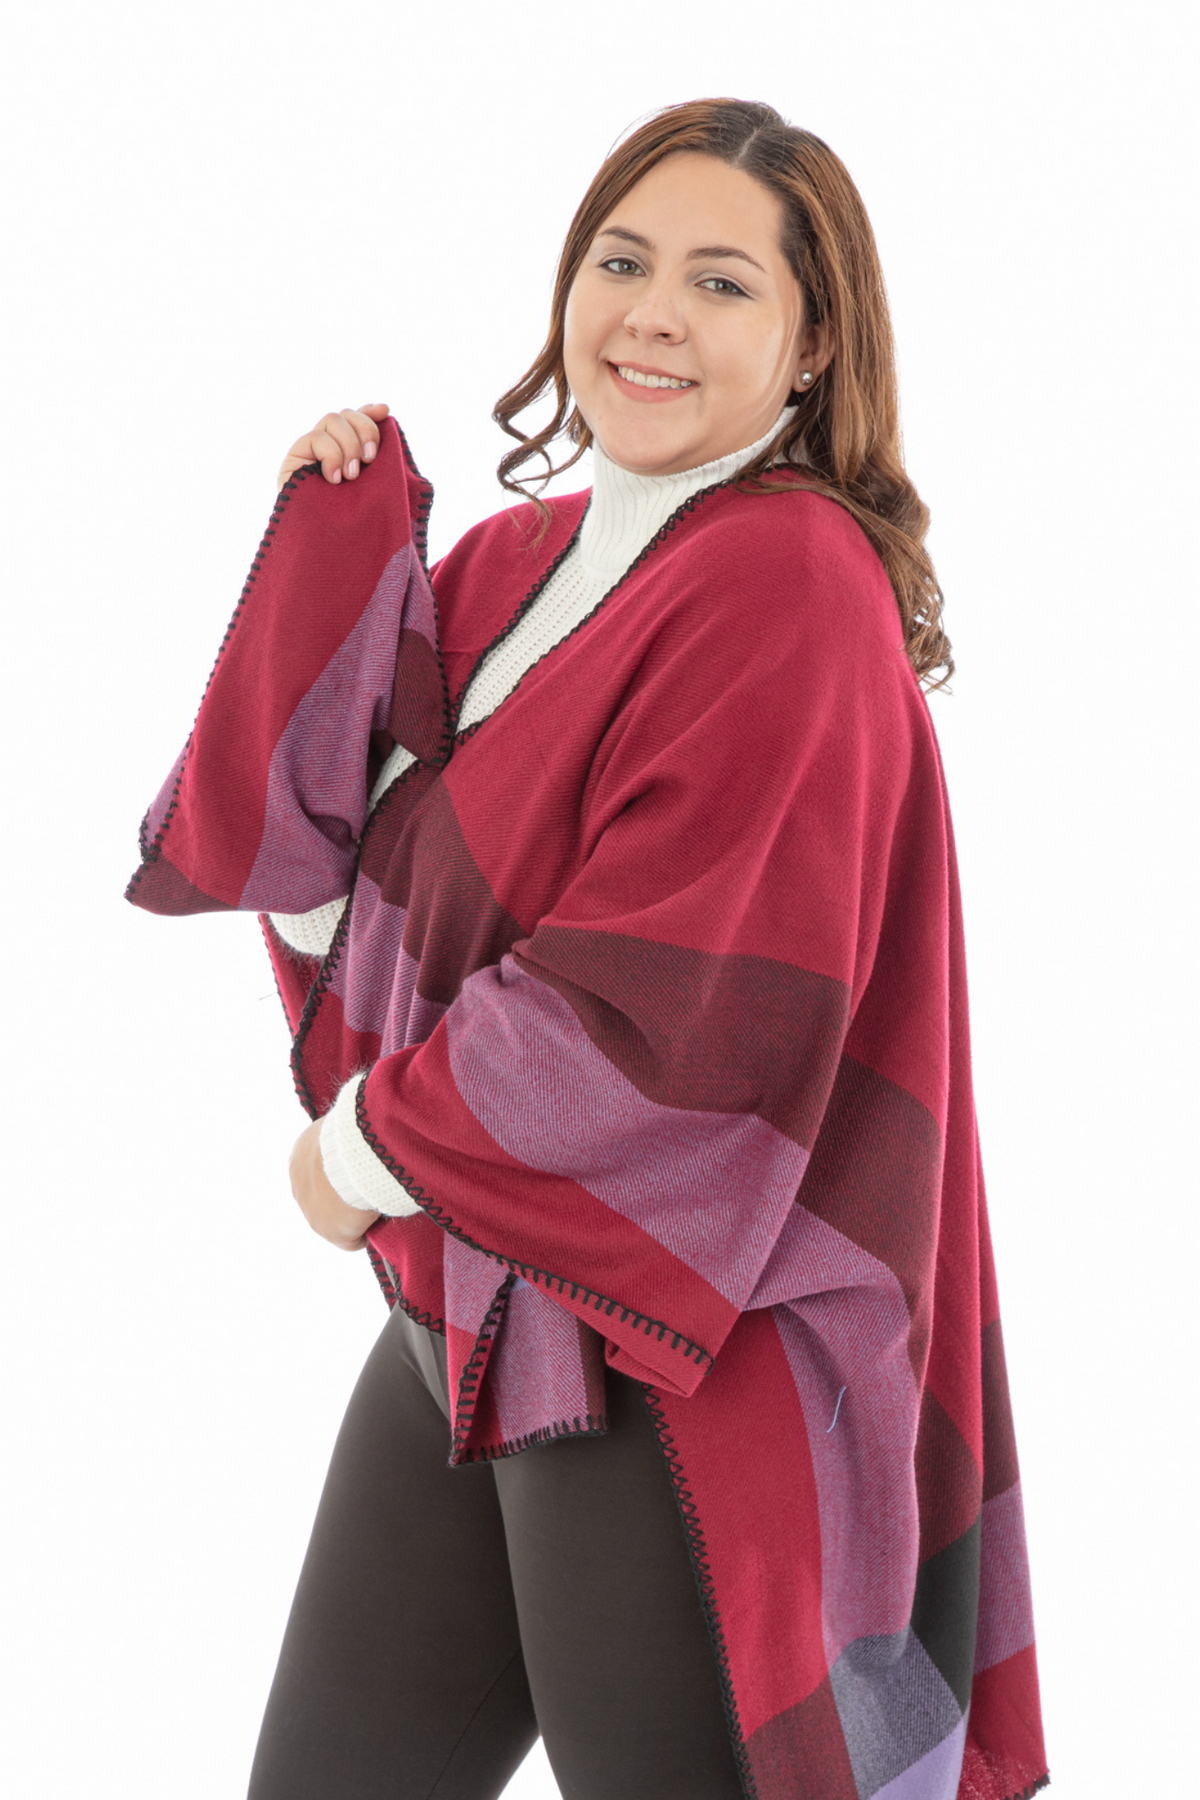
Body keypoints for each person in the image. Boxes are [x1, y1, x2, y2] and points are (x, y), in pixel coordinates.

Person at [126, 98, 1048, 1800]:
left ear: (812, 343)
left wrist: (353, 1156)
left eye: (722, 282)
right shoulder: (506, 564)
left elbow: (656, 1019)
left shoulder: (791, 585)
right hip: (466, 1311)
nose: (653, 315)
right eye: (623, 262)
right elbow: (349, 918)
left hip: (667, 1362)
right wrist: (325, 563)